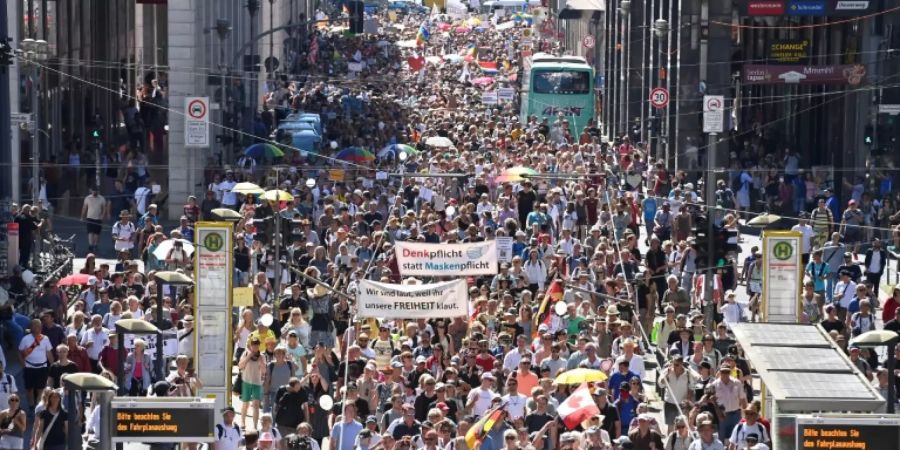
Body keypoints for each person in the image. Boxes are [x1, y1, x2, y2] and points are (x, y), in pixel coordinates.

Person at [18, 319, 54, 406]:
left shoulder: (45, 338)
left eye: (39, 325)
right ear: (31, 327)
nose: (37, 327)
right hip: (29, 367)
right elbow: (19, 352)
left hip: (42, 367)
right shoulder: (25, 339)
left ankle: (38, 406)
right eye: (35, 325)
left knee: (40, 388)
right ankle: (31, 405)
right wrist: (23, 364)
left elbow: (48, 353)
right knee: (29, 389)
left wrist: (53, 365)